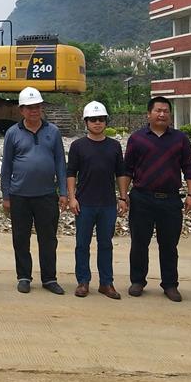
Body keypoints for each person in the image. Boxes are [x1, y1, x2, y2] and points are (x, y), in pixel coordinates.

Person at [120, 96, 191, 302]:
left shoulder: (180, 139)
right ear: (148, 114)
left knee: (169, 244)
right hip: (142, 198)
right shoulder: (137, 138)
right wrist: (123, 196)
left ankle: (170, 284)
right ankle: (138, 281)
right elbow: (127, 169)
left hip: (170, 199)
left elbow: (189, 168)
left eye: (166, 111)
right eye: (158, 110)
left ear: (170, 115)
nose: (162, 114)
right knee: (139, 243)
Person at [2, 87, 68, 295]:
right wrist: (6, 195)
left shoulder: (53, 132)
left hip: (46, 195)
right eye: (29, 107)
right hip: (19, 195)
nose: (34, 111)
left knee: (48, 239)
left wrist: (63, 192)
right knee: (21, 238)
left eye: (37, 106)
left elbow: (60, 163)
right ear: (21, 110)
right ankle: (24, 277)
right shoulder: (13, 133)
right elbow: (6, 166)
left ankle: (49, 278)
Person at [67, 101, 124, 300]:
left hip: (107, 204)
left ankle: (106, 283)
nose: (97, 123)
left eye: (101, 119)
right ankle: (83, 281)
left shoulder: (114, 146)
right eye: (93, 119)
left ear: (106, 121)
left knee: (105, 244)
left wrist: (123, 197)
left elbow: (121, 173)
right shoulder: (78, 146)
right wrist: (72, 198)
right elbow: (71, 173)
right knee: (82, 244)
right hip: (84, 204)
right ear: (86, 122)